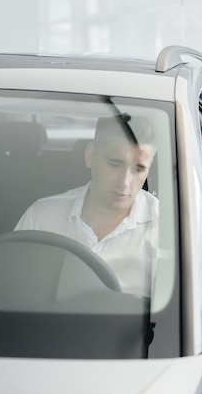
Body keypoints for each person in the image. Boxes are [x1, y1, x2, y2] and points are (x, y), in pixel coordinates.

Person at [15, 114, 158, 297]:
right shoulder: (41, 218)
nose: (125, 183)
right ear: (90, 156)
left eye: (139, 169)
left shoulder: (166, 232)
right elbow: (13, 292)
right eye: (115, 164)